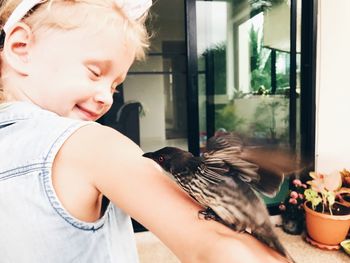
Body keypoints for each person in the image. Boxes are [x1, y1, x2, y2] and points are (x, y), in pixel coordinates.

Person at [0, 1, 290, 262]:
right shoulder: (91, 143)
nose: (107, 97)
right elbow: (218, 246)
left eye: (115, 86)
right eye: (95, 72)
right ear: (20, 48)